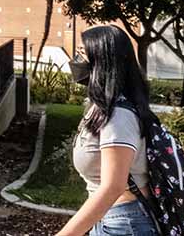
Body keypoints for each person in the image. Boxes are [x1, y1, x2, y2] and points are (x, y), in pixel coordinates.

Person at [57, 25, 158, 236]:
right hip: (113, 220)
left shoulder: (118, 116)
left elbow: (113, 187)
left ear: (102, 62)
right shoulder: (103, 107)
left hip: (125, 224)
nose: (76, 60)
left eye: (83, 53)